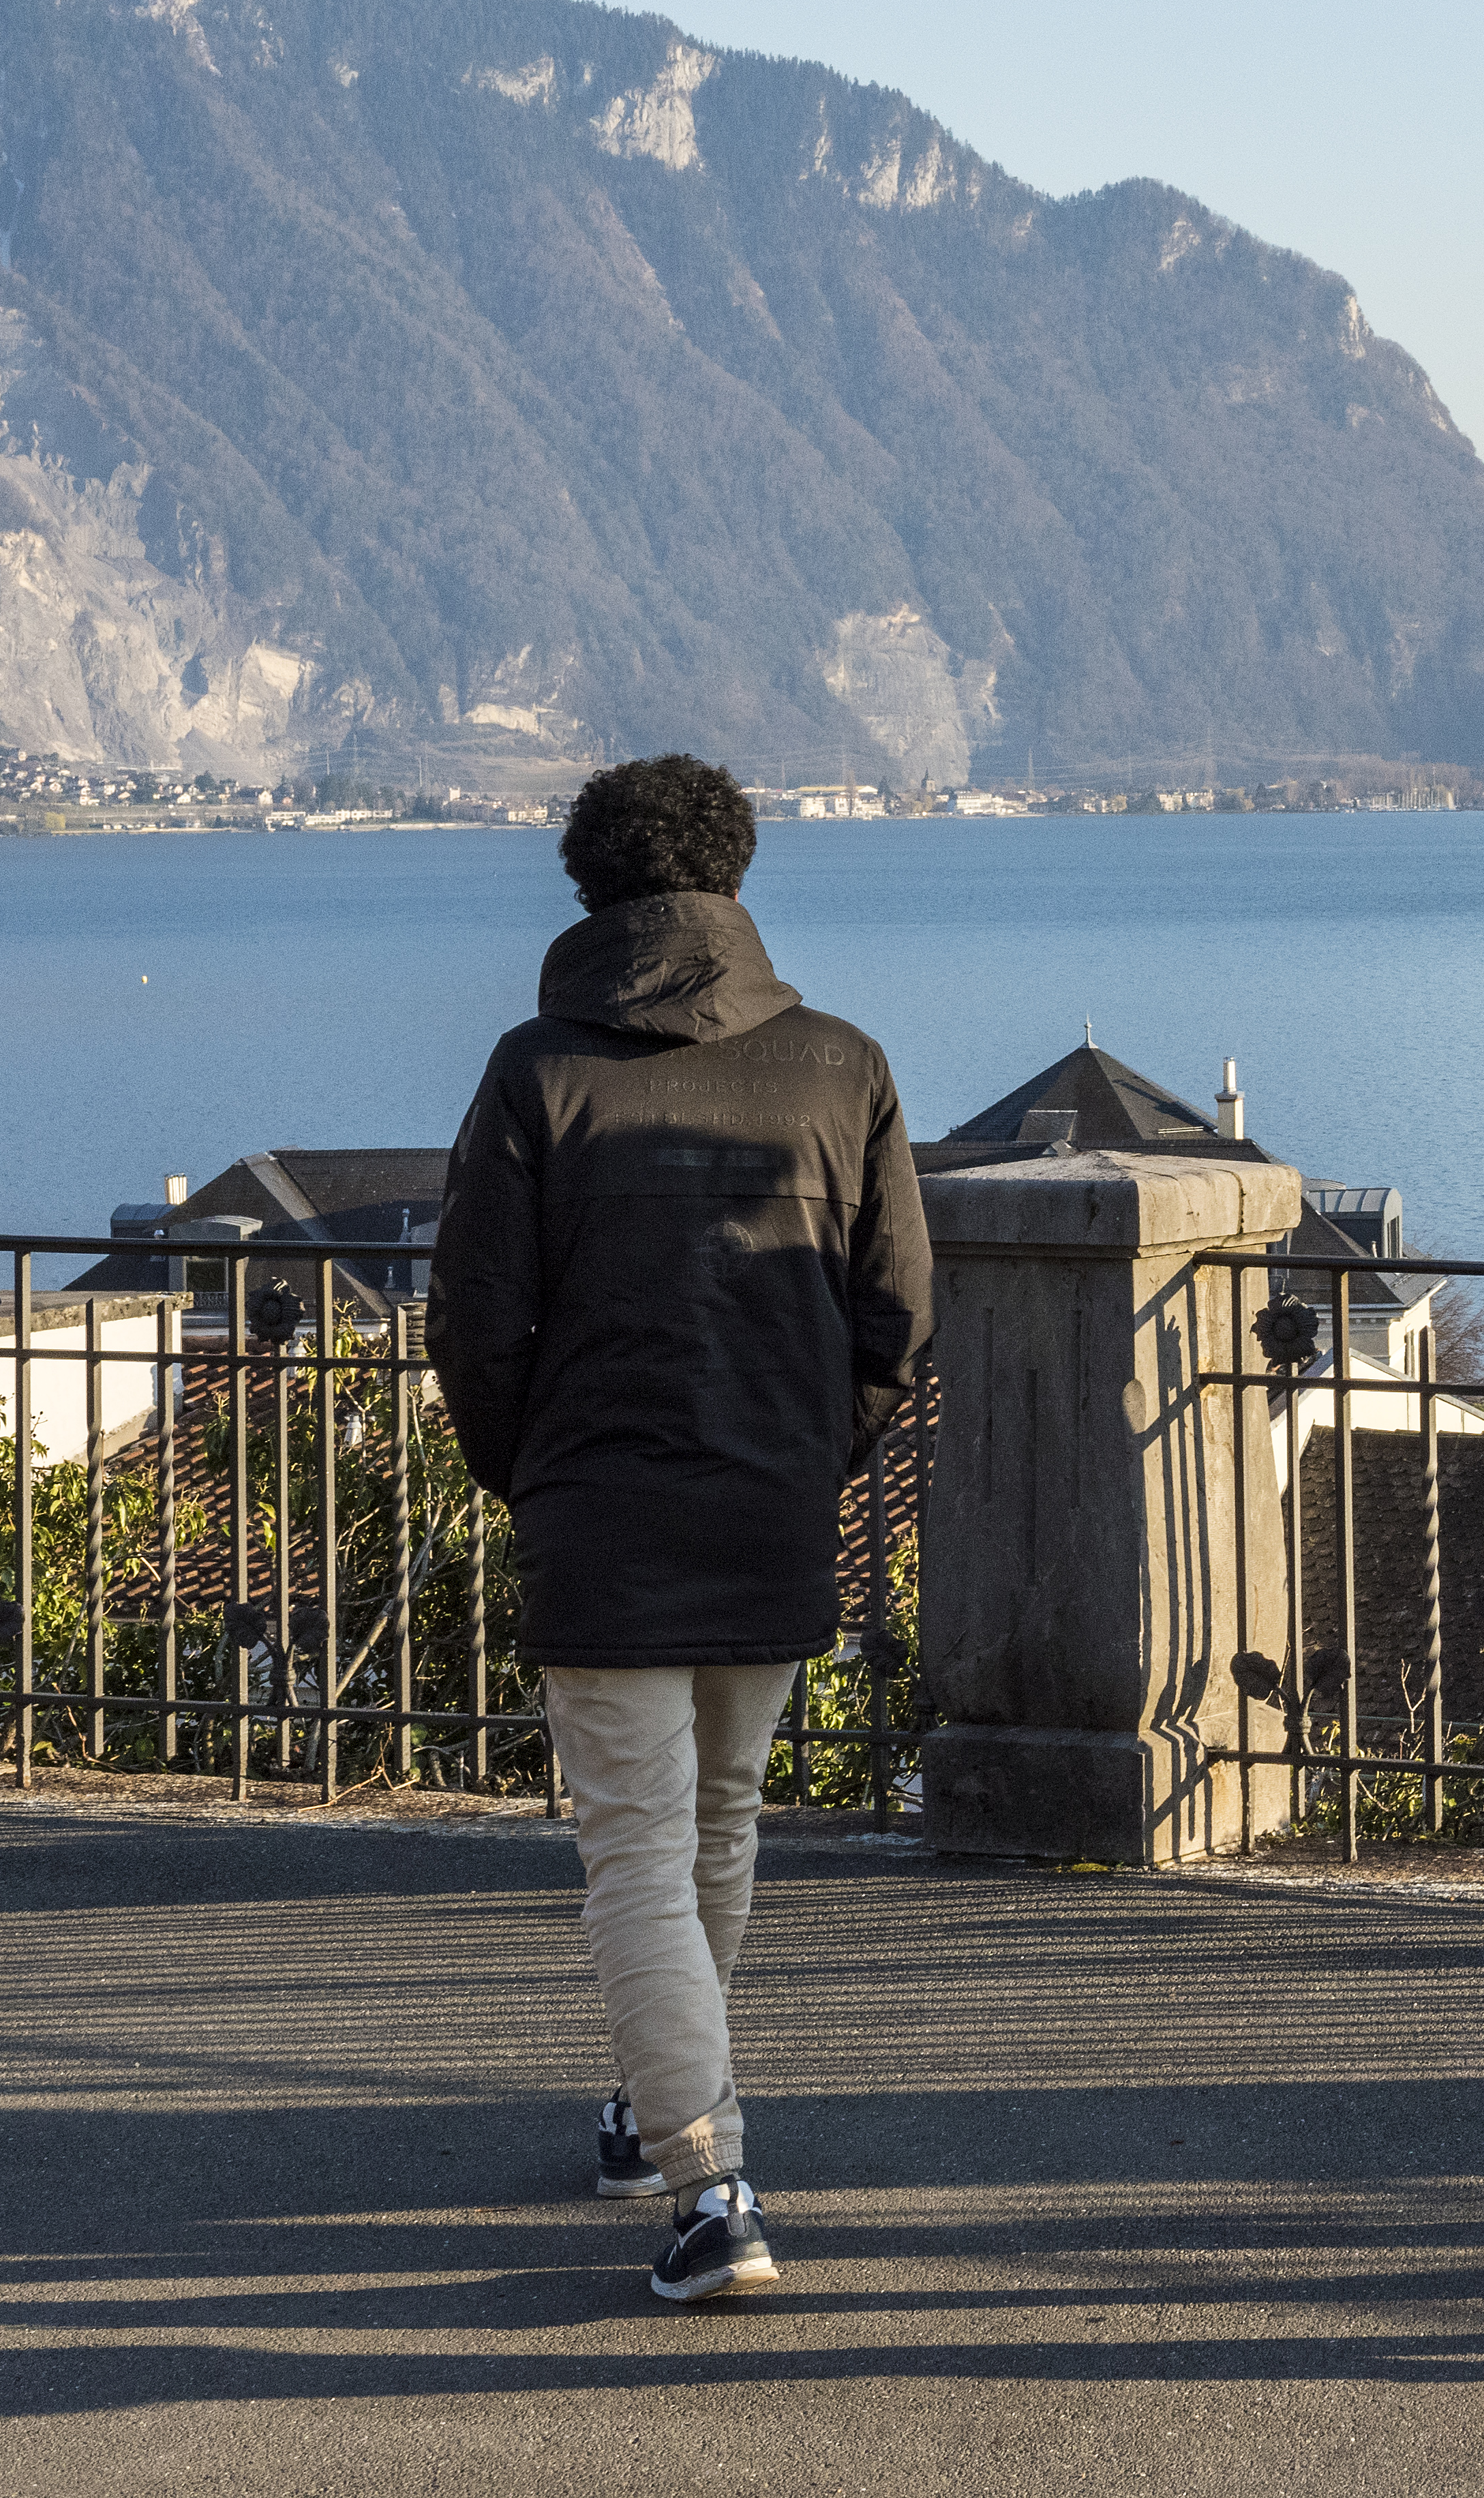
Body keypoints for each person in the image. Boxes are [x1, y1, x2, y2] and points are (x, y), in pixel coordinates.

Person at [429, 754, 930, 2302]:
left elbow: (473, 1320)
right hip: (768, 1506)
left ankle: (711, 2184)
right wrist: (806, 1453)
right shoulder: (840, 1064)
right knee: (717, 1829)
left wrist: (541, 1472)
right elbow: (897, 1314)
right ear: (737, 873)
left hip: (603, 1515)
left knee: (636, 1847)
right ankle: (663, 2129)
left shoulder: (536, 1073)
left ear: (590, 885)